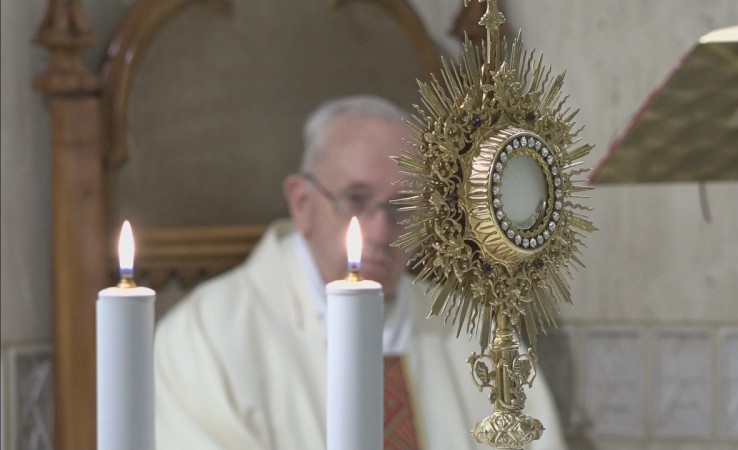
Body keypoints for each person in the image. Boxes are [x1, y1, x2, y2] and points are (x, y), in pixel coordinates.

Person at [154, 95, 568, 449]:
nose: (380, 232)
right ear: (301, 203)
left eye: (402, 207)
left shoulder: (474, 335)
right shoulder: (205, 338)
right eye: (355, 199)